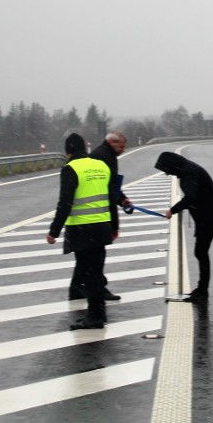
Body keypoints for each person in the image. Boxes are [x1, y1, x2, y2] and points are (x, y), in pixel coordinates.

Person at [47, 133, 118, 330]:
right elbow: (112, 198)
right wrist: (115, 227)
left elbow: (65, 203)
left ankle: (94, 317)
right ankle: (99, 313)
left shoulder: (71, 169)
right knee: (95, 272)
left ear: (67, 151)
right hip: (102, 227)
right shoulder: (101, 166)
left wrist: (54, 231)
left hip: (82, 229)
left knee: (88, 276)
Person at [154, 151, 213, 303]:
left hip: (208, 216)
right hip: (207, 215)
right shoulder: (187, 169)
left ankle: (202, 291)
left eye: (167, 170)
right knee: (201, 252)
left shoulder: (189, 172)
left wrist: (172, 210)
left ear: (172, 165)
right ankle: (201, 289)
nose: (168, 174)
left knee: (201, 252)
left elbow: (190, 197)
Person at [77, 128, 133, 302]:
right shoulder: (104, 157)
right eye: (121, 146)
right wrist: (114, 225)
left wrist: (122, 199)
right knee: (95, 256)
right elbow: (108, 191)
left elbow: (112, 187)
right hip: (96, 214)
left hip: (89, 216)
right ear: (112, 142)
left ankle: (77, 288)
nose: (123, 150)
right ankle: (98, 289)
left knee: (86, 256)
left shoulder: (102, 154)